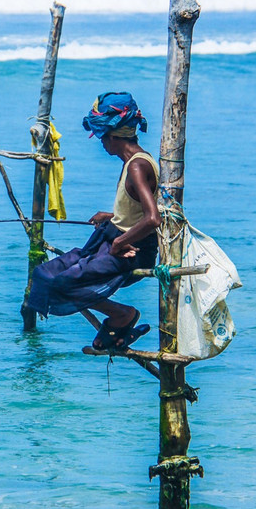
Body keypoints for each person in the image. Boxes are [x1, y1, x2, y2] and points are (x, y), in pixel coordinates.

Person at [27, 91, 161, 350]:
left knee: (62, 283)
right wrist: (111, 216)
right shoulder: (133, 162)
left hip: (132, 250)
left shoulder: (136, 166)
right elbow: (137, 210)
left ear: (114, 136)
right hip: (110, 241)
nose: (101, 143)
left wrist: (120, 242)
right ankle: (118, 328)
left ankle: (122, 314)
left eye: (102, 137)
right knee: (44, 274)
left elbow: (153, 218)